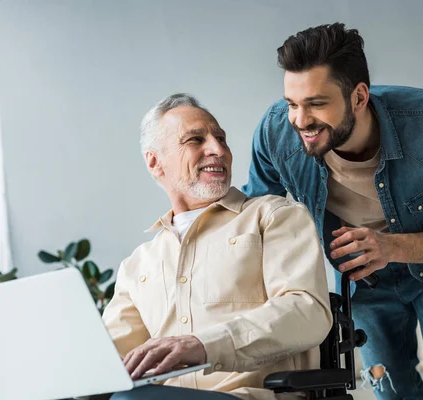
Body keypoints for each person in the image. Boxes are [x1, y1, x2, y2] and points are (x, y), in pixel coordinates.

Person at [242, 23, 423, 400]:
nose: (299, 120)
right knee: (392, 394)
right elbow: (255, 216)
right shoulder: (276, 133)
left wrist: (389, 247)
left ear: (359, 97)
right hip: (363, 283)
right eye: (292, 103)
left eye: (316, 103)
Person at [102, 93, 333, 400]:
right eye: (196, 139)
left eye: (221, 139)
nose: (218, 150)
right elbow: (104, 359)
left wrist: (204, 345)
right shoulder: (137, 265)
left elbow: (307, 311)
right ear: (155, 162)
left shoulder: (273, 216)